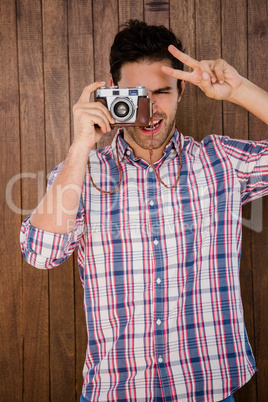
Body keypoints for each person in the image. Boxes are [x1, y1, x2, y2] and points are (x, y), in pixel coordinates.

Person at [20, 20, 268, 402]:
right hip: (116, 391)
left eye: (162, 92)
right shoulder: (81, 172)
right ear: (112, 92)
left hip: (210, 389)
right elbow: (40, 254)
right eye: (136, 95)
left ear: (183, 89)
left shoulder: (223, 162)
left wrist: (241, 91)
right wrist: (80, 146)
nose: (150, 109)